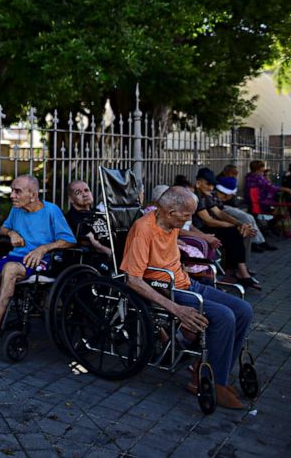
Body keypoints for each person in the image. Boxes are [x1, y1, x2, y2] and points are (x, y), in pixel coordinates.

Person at [121, 186, 252, 410]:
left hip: (185, 282)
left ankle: (208, 370)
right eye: (187, 214)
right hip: (165, 288)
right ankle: (213, 382)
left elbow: (185, 233)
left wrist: (204, 238)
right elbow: (133, 279)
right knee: (224, 317)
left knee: (244, 309)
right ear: (171, 212)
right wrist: (175, 309)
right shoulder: (143, 229)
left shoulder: (171, 223)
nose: (190, 219)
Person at [0, 174, 75, 335]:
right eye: (12, 190)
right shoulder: (17, 209)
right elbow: (3, 229)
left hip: (38, 261)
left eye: (17, 191)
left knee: (10, 268)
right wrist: (12, 233)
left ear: (33, 195)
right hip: (15, 257)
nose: (12, 195)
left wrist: (43, 248)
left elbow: (69, 240)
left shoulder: (51, 211)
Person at [193, 168, 257, 288]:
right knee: (233, 232)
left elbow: (219, 213)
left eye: (213, 185)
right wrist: (237, 226)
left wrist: (239, 224)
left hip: (206, 228)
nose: (211, 188)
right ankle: (240, 272)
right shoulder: (194, 196)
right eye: (208, 184)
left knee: (235, 233)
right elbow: (209, 221)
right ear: (198, 183)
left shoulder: (205, 195)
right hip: (197, 231)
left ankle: (237, 271)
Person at [246, 160, 291, 239]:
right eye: (262, 167)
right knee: (276, 213)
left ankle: (265, 232)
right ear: (258, 168)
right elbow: (270, 186)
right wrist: (287, 189)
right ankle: (266, 232)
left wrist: (266, 175)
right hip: (261, 202)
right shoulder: (258, 177)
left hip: (253, 201)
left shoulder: (249, 176)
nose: (263, 168)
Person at [64, 180, 112, 259]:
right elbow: (95, 244)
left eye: (86, 190)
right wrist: (112, 254)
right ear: (71, 199)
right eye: (78, 192)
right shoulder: (72, 217)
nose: (85, 194)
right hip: (95, 258)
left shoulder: (98, 212)